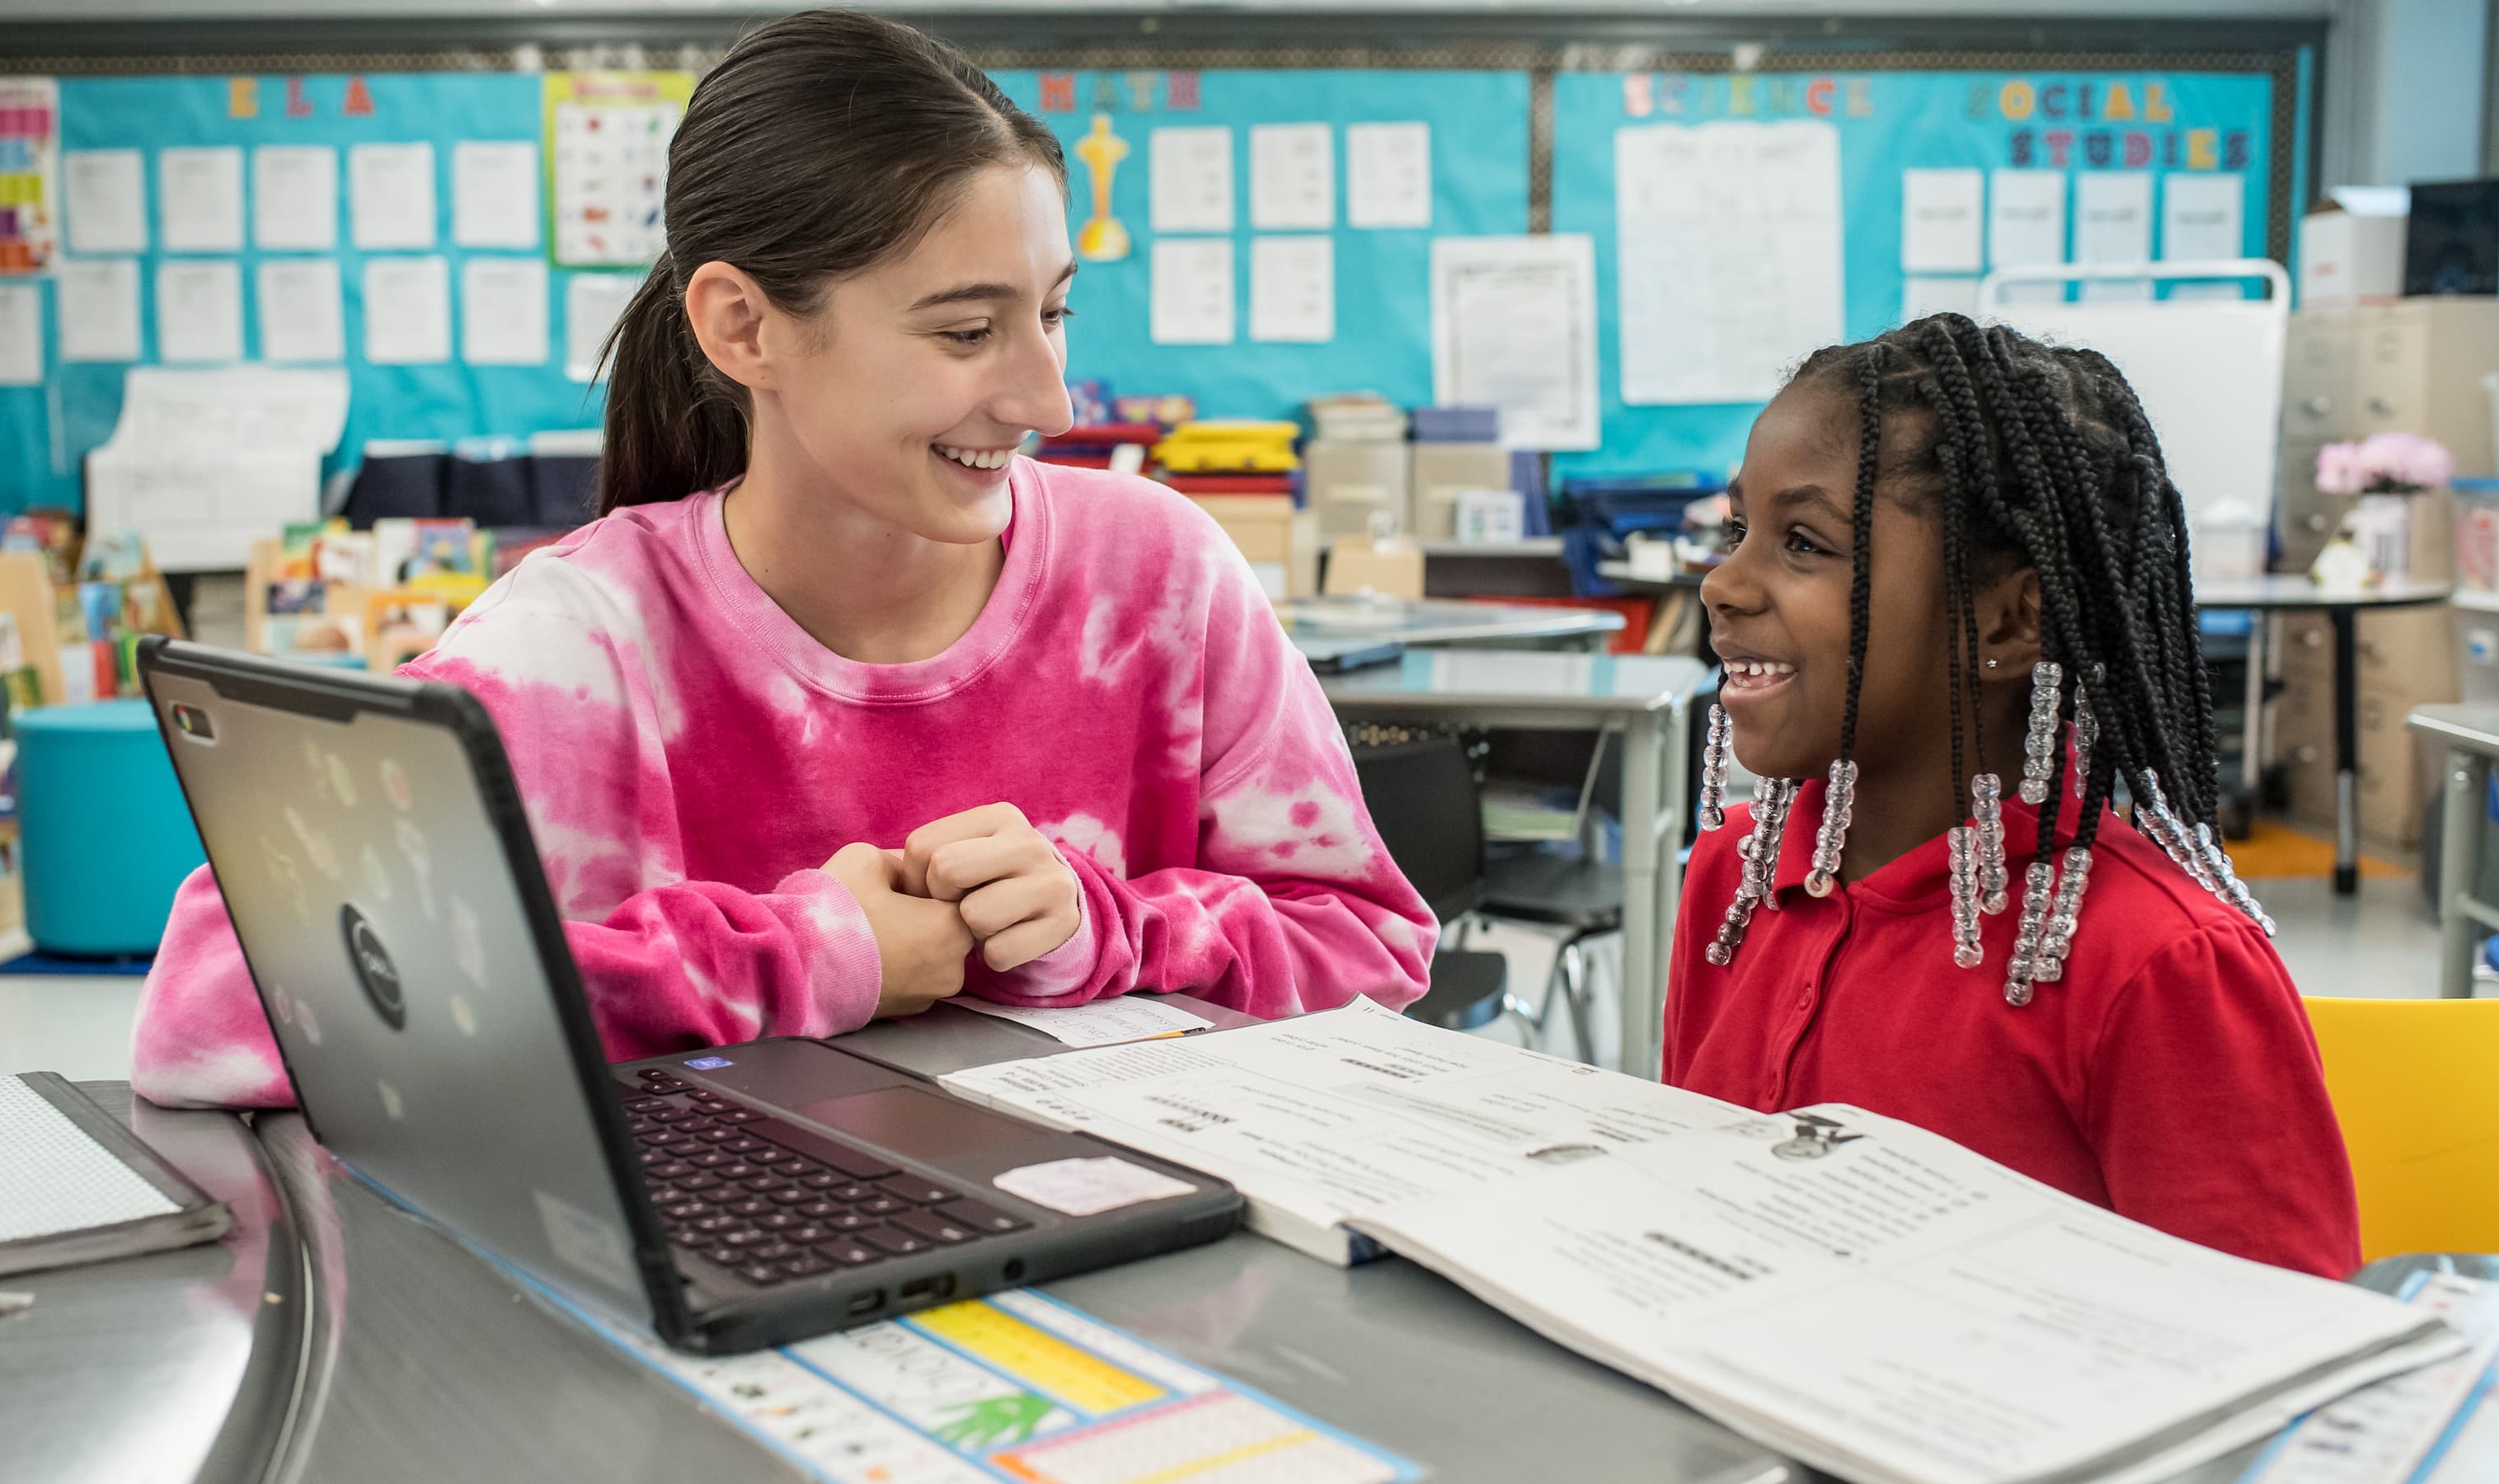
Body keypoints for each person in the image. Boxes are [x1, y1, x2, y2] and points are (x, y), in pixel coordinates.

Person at [131, 10, 1435, 1108]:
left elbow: (1375, 946)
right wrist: (805, 953)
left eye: (1052, 313)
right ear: (744, 325)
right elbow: (220, 1006)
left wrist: (1111, 933)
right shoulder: (587, 644)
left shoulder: (1161, 577)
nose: (1049, 396)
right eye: (969, 330)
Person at [1670, 314, 2360, 1277]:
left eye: (1802, 544)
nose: (1723, 584)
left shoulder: (2157, 962)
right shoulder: (1732, 879)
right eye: (1736, 530)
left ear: (2010, 619)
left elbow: (2275, 1353)